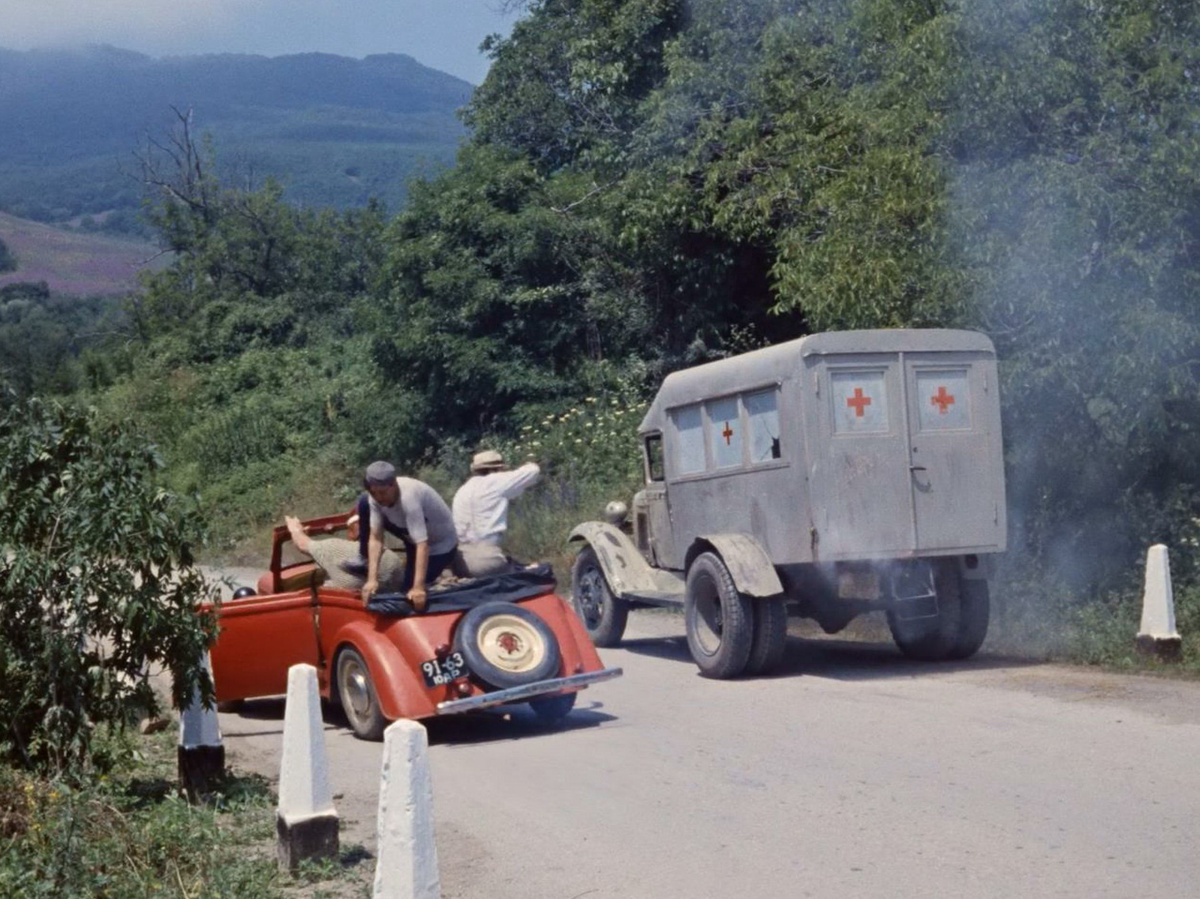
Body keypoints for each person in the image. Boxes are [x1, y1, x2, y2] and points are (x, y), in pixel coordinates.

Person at [357, 461, 458, 611]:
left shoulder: (409, 497)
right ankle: (362, 560)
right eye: (374, 493)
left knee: (409, 596)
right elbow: (376, 537)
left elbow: (423, 544)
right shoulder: (375, 497)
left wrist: (418, 587)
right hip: (410, 535)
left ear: (393, 484)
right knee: (364, 502)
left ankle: (440, 575)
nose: (379, 498)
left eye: (383, 493)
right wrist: (372, 580)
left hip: (439, 546)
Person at [451, 450, 540, 577]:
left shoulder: (462, 490)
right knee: (534, 573)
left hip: (461, 559)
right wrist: (531, 461)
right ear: (497, 469)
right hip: (488, 557)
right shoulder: (495, 481)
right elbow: (533, 471)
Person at [284, 515, 405, 592]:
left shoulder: (336, 548)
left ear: (351, 532)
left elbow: (302, 544)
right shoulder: (393, 559)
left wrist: (295, 529)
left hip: (335, 617)